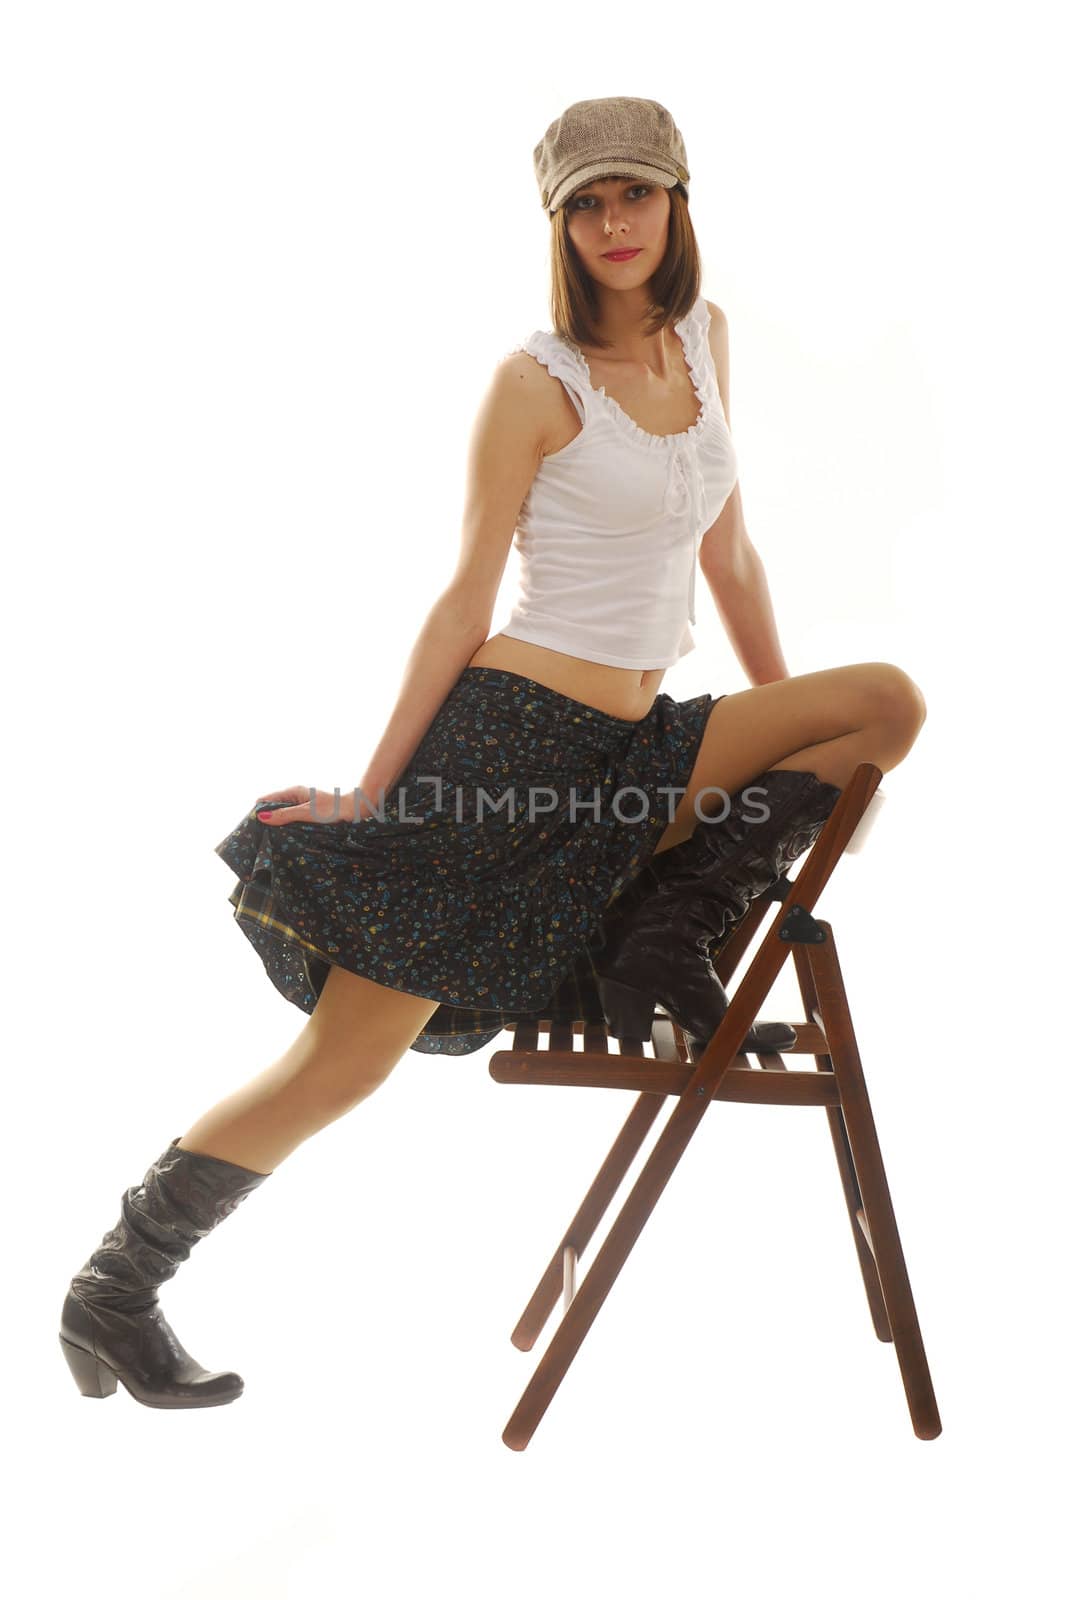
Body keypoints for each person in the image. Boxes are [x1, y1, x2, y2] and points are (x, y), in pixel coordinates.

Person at [59, 97, 927, 1411]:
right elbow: (464, 606)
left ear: (679, 199)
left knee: (879, 703)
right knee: (340, 1068)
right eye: (585, 203)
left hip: (638, 747)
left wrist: (780, 731)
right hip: (505, 755)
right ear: (559, 225)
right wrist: (368, 791)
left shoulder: (707, 342)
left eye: (633, 193)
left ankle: (667, 935)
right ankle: (114, 1291)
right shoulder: (536, 384)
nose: (613, 223)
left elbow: (727, 550)